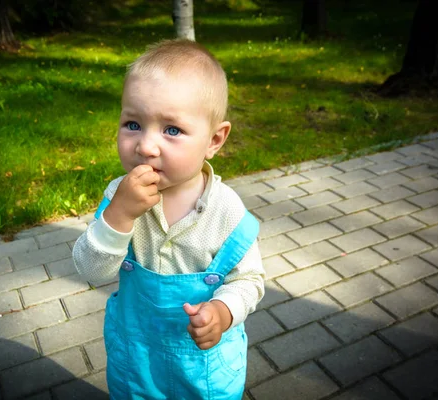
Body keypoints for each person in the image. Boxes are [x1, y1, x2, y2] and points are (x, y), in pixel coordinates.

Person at [72, 39, 265, 399]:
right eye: (133, 123)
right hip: (136, 363)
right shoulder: (119, 197)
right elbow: (90, 271)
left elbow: (250, 280)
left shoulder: (227, 212)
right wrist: (118, 218)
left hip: (204, 371)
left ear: (214, 140)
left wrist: (223, 312)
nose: (146, 146)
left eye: (171, 130)